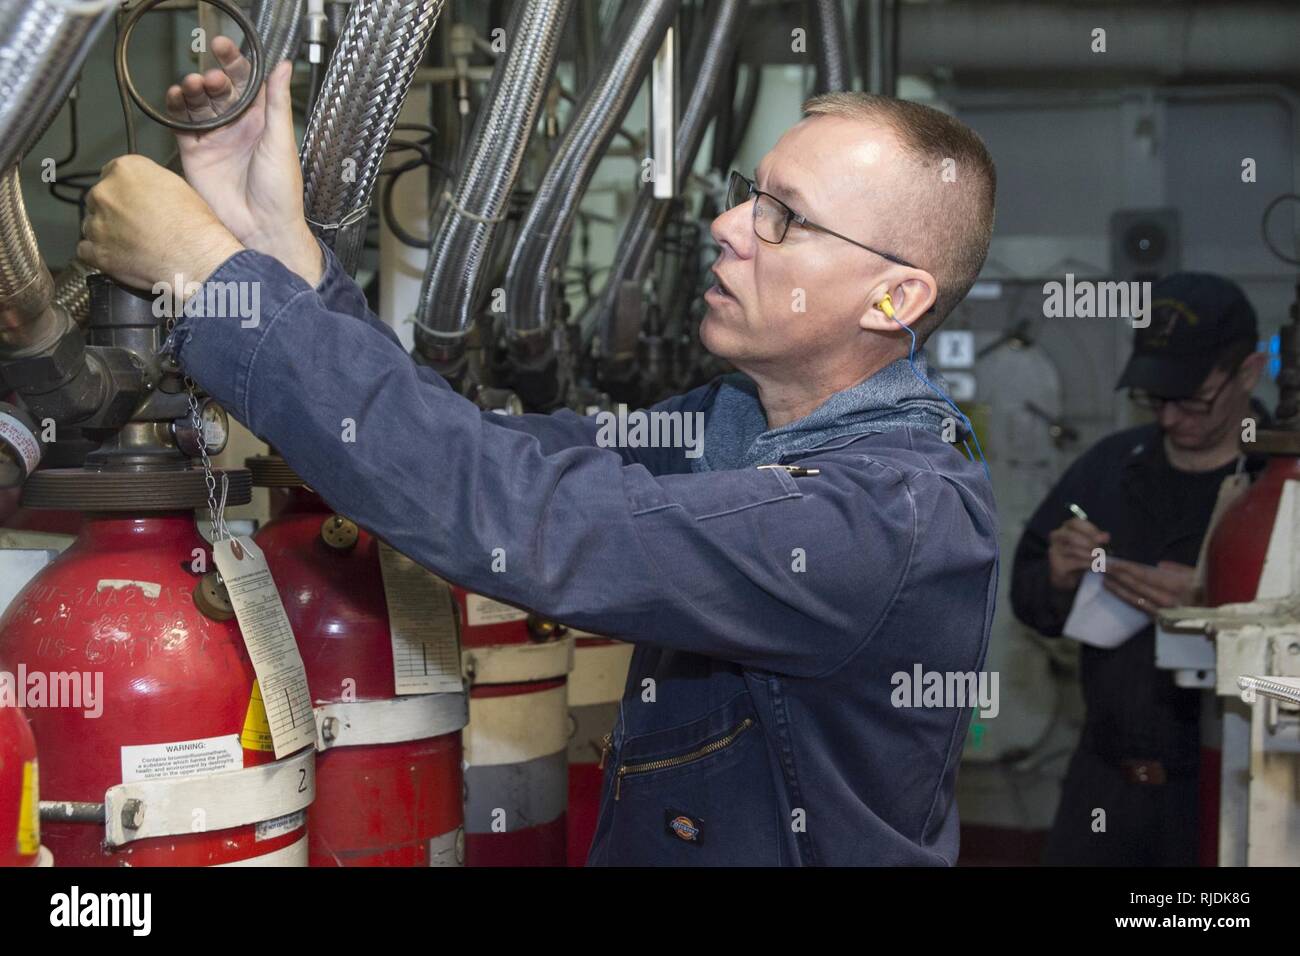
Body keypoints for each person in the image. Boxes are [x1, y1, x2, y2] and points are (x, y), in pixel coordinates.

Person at [78, 38, 999, 865]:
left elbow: (530, 524)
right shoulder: (735, 426)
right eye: (750, 196)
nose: (729, 226)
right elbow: (480, 456)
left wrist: (209, 279)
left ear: (894, 300)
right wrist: (280, 257)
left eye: (784, 219)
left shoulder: (878, 523)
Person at [1011, 272, 1268, 866]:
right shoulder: (1110, 467)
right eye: (1157, 400)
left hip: (1229, 789)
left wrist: (1218, 612)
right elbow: (1028, 597)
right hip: (1103, 790)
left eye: (1193, 400)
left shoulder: (1276, 484)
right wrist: (1057, 575)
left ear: (1249, 373)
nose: (1172, 419)